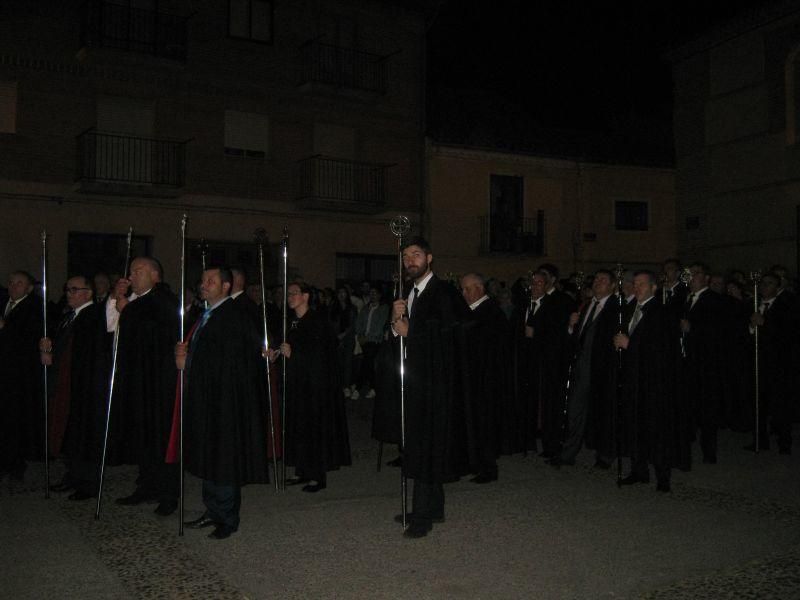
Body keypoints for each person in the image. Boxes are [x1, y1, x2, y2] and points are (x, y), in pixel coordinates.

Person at [174, 267, 270, 540]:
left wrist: (190, 361)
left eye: (210, 281)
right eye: (203, 280)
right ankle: (212, 509)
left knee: (224, 458)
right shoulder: (208, 314)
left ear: (226, 286)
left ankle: (226, 517)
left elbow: (232, 360)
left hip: (226, 400)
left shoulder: (233, 315)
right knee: (208, 454)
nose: (204, 285)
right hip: (207, 397)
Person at [390, 237, 469, 538]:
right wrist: (397, 319)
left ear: (430, 258)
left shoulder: (444, 292)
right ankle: (432, 508)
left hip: (437, 384)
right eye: (406, 256)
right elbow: (404, 337)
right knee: (423, 445)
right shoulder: (411, 294)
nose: (410, 260)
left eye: (416, 254)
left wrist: (413, 331)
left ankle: (422, 515)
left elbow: (452, 336)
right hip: (417, 379)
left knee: (426, 446)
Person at [106, 257, 180, 515]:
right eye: (131, 271)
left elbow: (156, 332)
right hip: (139, 380)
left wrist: (128, 310)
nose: (133, 275)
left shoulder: (164, 300)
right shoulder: (136, 301)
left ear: (155, 275)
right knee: (144, 437)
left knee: (161, 438)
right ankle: (147, 485)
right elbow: (112, 326)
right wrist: (119, 301)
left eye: (139, 271)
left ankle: (168, 494)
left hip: (159, 382)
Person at [270, 281, 351, 492]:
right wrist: (275, 354)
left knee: (313, 429)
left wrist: (294, 355)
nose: (289, 297)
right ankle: (301, 470)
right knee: (297, 427)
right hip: (296, 384)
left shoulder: (317, 322)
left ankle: (317, 475)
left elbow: (322, 356)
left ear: (305, 296)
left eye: (294, 293)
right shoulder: (290, 322)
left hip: (314, 386)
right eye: (288, 294)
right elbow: (283, 346)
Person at [39, 275, 110, 500]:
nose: (69, 293)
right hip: (68, 383)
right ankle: (73, 475)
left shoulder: (93, 316)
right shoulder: (70, 316)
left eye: (74, 289)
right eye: (67, 289)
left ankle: (88, 482)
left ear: (88, 293)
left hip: (86, 387)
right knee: (71, 432)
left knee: (85, 435)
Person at [613, 271, 681, 493]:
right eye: (636, 283)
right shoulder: (631, 309)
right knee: (635, 426)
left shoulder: (660, 312)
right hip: (634, 380)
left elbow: (660, 350)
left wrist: (629, 345)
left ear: (654, 288)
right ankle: (638, 469)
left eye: (643, 284)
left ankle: (663, 476)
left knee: (656, 428)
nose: (638, 287)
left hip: (654, 383)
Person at [551, 269, 618, 469]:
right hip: (581, 368)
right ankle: (568, 453)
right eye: (596, 278)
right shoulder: (588, 305)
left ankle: (605, 454)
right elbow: (578, 339)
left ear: (613, 286)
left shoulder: (616, 308)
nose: (598, 282)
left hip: (602, 371)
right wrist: (572, 327)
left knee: (603, 413)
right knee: (575, 411)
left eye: (603, 280)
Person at [459, 272, 511, 482]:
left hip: (486, 380)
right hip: (474, 377)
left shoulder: (490, 312)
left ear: (479, 289)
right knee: (474, 423)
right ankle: (474, 462)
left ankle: (488, 467)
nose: (463, 293)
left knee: (485, 423)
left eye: (467, 289)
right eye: (462, 289)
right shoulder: (472, 311)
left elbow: (490, 349)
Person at [680, 262, 726, 465]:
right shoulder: (686, 299)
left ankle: (709, 451)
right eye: (688, 274)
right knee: (688, 405)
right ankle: (686, 445)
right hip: (688, 361)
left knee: (707, 410)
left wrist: (693, 330)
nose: (691, 278)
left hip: (706, 364)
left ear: (706, 278)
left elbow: (718, 332)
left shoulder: (714, 300)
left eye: (695, 274)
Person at [748, 272, 799, 454]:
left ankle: (784, 442)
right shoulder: (756, 305)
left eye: (769, 284)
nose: (764, 287)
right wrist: (753, 327)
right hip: (759, 363)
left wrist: (764, 324)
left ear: (777, 288)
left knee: (780, 405)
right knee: (758, 403)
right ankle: (760, 440)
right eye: (762, 284)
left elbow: (785, 334)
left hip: (778, 365)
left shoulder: (785, 307)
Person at [0, 271, 44, 480]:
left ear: (28, 288)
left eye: (19, 283)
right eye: (11, 282)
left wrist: (5, 328)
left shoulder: (34, 308)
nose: (13, 286)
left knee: (15, 418)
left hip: (18, 374)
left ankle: (16, 462)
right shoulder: (5, 304)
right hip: (5, 371)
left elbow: (27, 340)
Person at [353, 286, 389, 400]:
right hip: (364, 340)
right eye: (371, 293)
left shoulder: (384, 308)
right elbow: (358, 323)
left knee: (367, 359)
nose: (372, 295)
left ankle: (358, 387)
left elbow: (380, 326)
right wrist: (360, 335)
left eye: (374, 293)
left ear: (379, 295)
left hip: (375, 340)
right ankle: (374, 387)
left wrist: (367, 337)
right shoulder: (365, 308)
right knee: (368, 360)